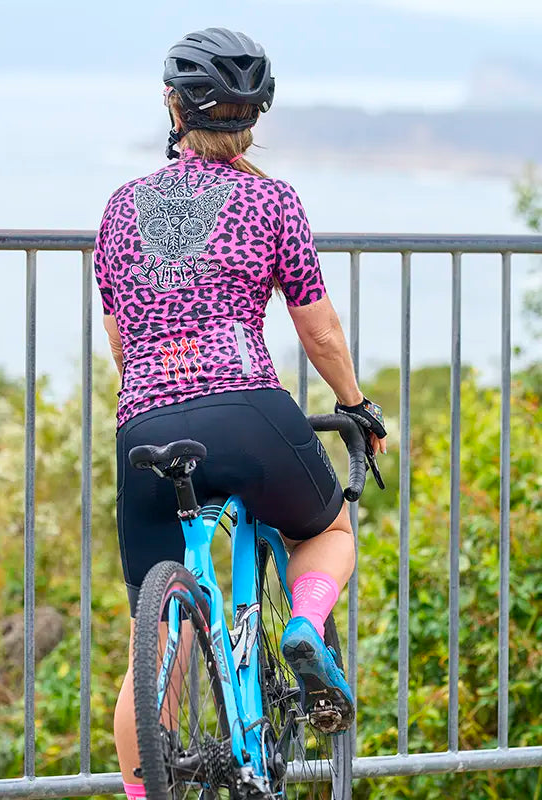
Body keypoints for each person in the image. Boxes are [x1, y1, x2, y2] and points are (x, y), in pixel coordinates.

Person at [93, 27, 387, 799]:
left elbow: (122, 341)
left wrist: (162, 397)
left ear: (174, 107)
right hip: (251, 411)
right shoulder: (272, 200)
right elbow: (318, 331)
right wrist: (355, 405)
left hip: (148, 426)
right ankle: (303, 626)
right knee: (325, 530)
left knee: (155, 648)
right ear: (254, 116)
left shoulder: (120, 210)